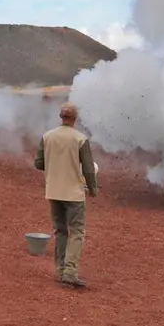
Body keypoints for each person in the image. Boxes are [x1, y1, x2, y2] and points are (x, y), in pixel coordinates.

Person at [33, 102, 98, 288]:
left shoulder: (47, 137)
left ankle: (61, 270)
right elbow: (88, 169)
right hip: (74, 194)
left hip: (53, 191)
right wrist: (93, 189)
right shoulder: (80, 139)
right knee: (76, 231)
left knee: (60, 230)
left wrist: (54, 165)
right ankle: (70, 271)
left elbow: (38, 163)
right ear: (75, 119)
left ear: (61, 117)